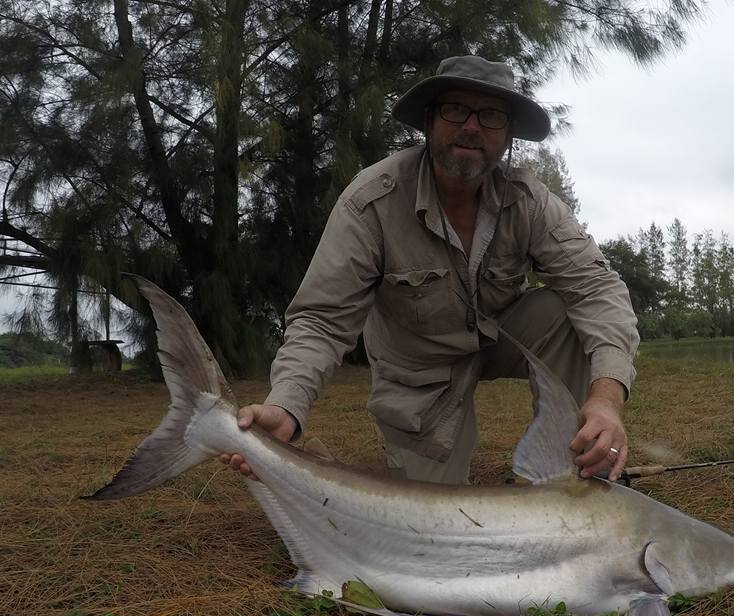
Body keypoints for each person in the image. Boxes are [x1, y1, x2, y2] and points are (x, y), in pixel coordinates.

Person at [220, 55, 640, 484]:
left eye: (492, 115)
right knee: (427, 516)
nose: (473, 127)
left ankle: (576, 476)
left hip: (500, 334)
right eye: (456, 109)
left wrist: (606, 398)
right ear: (429, 120)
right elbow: (322, 319)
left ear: (508, 134)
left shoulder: (530, 202)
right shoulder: (371, 203)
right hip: (417, 370)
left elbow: (596, 288)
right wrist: (286, 404)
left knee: (570, 312)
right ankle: (325, 470)